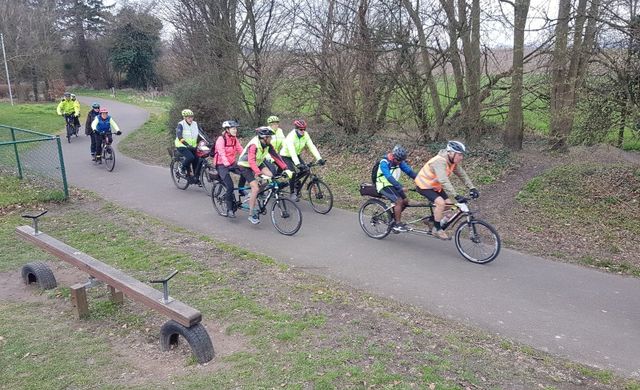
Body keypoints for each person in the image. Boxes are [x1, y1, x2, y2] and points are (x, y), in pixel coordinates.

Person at [414, 140, 479, 240]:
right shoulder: (439, 161)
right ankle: (437, 229)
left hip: (435, 186)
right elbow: (443, 180)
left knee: (449, 205)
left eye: (462, 155)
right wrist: (456, 195)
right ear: (451, 153)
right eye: (460, 155)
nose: (461, 158)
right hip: (424, 185)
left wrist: (472, 187)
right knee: (441, 203)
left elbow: (462, 175)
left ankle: (430, 220)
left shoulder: (452, 162)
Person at [237, 127, 292, 225]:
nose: (271, 139)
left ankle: (261, 192)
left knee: (271, 175)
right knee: (255, 188)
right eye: (270, 137)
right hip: (245, 165)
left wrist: (285, 168)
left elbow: (276, 156)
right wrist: (258, 173)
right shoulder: (254, 145)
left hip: (258, 163)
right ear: (264, 137)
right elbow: (251, 161)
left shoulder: (267, 145)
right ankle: (251, 214)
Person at [279, 119, 325, 201]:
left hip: (296, 155)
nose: (303, 131)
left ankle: (296, 182)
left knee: (306, 169)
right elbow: (291, 151)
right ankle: (292, 193)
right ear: (296, 129)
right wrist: (297, 163)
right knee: (292, 173)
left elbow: (312, 146)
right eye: (301, 129)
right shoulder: (291, 136)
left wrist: (319, 158)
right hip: (286, 155)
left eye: (304, 129)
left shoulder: (305, 135)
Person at [374, 145, 417, 233]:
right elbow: (389, 177)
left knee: (405, 201)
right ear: (393, 157)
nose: (399, 163)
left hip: (392, 185)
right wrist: (400, 187)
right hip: (383, 185)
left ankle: (393, 218)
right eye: (398, 160)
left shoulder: (399, 162)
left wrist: (421, 180)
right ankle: (397, 224)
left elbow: (409, 172)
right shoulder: (384, 162)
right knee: (399, 201)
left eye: (401, 161)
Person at [214, 120, 243, 218]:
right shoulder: (221, 139)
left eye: (236, 128)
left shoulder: (234, 139)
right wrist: (226, 163)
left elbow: (241, 150)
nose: (235, 130)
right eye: (233, 128)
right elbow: (221, 152)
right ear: (227, 130)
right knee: (230, 186)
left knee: (245, 172)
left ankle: (241, 190)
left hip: (231, 163)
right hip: (222, 164)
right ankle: (229, 209)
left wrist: (247, 159)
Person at [174, 109, 206, 183]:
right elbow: (179, 136)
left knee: (197, 160)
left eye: (192, 117)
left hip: (193, 146)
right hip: (182, 145)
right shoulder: (181, 124)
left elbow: (202, 134)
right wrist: (186, 145)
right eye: (188, 117)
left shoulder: (195, 124)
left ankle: (196, 178)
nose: (191, 119)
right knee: (190, 157)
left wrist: (209, 141)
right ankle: (181, 168)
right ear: (184, 118)